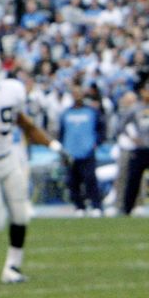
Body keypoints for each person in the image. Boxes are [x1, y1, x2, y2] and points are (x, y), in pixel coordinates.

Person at [0, 50, 69, 284]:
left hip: (9, 158)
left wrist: (55, 146)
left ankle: (12, 267)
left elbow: (26, 125)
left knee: (21, 214)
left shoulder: (12, 91)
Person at [59, 86, 104, 215]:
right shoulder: (66, 113)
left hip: (87, 151)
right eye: (74, 93)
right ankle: (80, 207)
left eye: (79, 93)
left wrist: (96, 143)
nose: (77, 96)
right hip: (71, 152)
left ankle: (96, 206)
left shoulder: (92, 112)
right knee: (73, 181)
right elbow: (62, 133)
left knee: (90, 179)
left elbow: (101, 129)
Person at [113, 85, 149, 215]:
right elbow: (120, 126)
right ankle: (127, 208)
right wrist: (133, 138)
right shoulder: (135, 108)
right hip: (140, 149)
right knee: (133, 179)